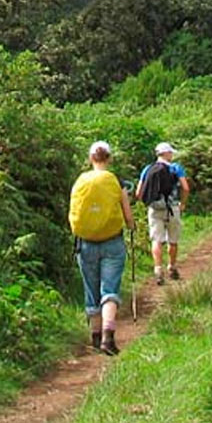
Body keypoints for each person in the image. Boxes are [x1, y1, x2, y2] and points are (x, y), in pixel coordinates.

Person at [69, 140, 136, 355]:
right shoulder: (115, 181)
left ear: (91, 159)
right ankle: (109, 335)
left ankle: (95, 337)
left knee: (91, 289)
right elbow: (127, 215)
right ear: (109, 158)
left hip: (85, 242)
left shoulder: (80, 181)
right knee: (109, 289)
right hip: (112, 242)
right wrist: (132, 227)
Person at [135, 142, 191, 284]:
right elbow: (186, 188)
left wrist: (148, 203)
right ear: (166, 153)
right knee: (173, 240)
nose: (172, 155)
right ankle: (171, 267)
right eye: (171, 153)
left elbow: (138, 193)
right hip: (172, 208)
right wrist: (182, 203)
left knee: (156, 240)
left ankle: (158, 269)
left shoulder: (148, 169)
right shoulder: (175, 168)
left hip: (154, 209)